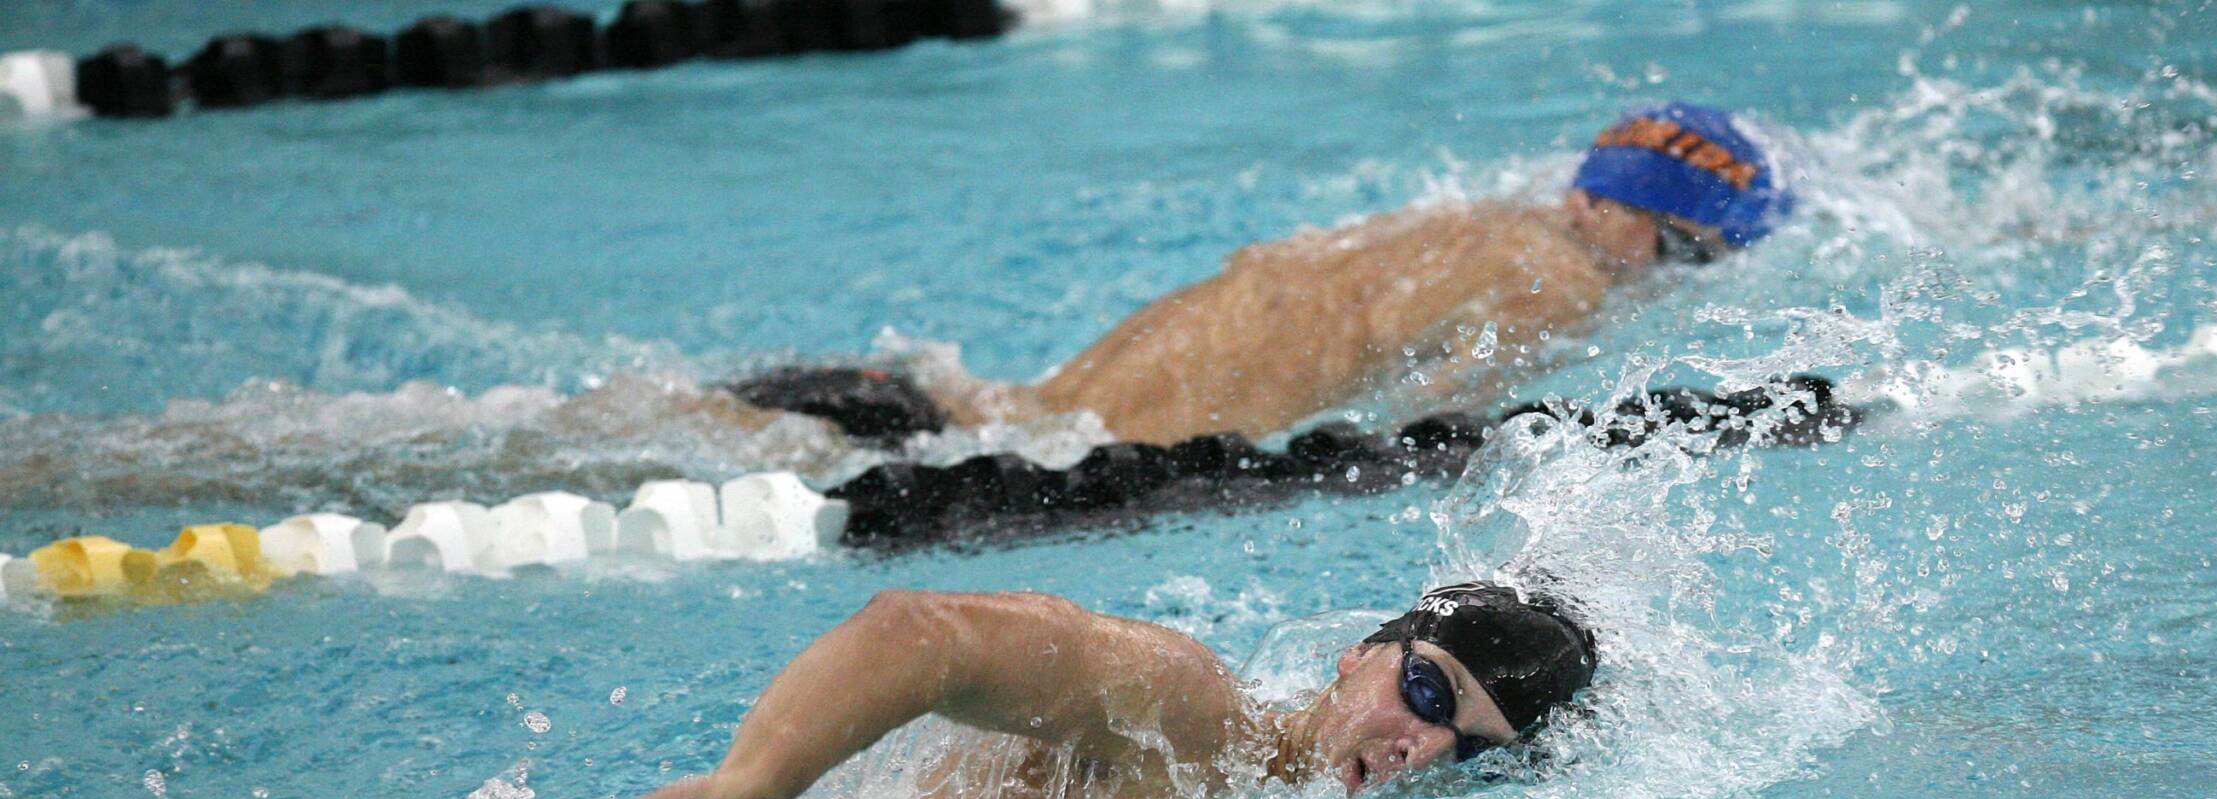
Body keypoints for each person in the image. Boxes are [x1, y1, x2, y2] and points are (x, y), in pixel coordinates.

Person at [522, 580, 1600, 799]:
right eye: (1424, 690)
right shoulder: (1188, 717)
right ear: (1354, 656)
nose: (1417, 745)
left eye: (1465, 749)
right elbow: (920, 633)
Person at [730, 101, 1794, 448]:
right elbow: (1434, 416)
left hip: (971, 406)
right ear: (1621, 215)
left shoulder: (1481, 221)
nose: (1683, 277)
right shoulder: (1557, 281)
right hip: (1015, 456)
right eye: (1689, 252)